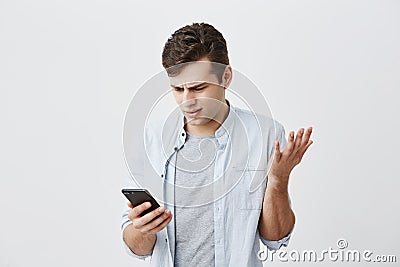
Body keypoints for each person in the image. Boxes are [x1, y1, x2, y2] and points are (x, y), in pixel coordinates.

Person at [121, 22, 313, 266]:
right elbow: (137, 249)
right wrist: (142, 229)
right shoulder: (150, 139)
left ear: (226, 76)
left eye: (198, 87)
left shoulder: (265, 134)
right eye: (178, 89)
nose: (187, 101)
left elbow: (275, 238)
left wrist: (278, 181)